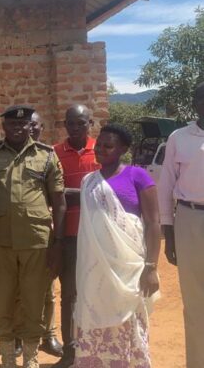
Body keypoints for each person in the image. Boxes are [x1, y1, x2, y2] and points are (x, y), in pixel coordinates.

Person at [0, 105, 66, 368]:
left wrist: (58, 243)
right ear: (3, 127)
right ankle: (8, 357)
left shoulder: (46, 156)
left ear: (30, 127)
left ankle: (31, 358)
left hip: (37, 242)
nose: (17, 128)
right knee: (1, 299)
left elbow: (58, 201)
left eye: (22, 125)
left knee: (34, 299)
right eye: (12, 124)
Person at [73, 124, 161, 367]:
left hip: (129, 268)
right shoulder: (89, 181)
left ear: (123, 149)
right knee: (96, 317)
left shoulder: (138, 176)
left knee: (129, 323)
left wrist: (151, 267)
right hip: (96, 270)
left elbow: (154, 223)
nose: (100, 150)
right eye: (99, 145)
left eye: (108, 146)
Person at [50, 105, 101, 367]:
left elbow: (106, 190)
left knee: (96, 294)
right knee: (69, 294)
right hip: (68, 235)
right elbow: (54, 193)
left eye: (81, 123)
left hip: (98, 239)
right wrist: (85, 192)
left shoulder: (100, 150)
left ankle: (93, 349)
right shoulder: (55, 153)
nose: (76, 127)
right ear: (65, 124)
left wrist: (70, 193)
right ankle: (70, 352)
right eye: (71, 123)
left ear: (90, 123)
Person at [157, 83, 204, 367]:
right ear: (194, 101)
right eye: (201, 97)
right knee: (195, 299)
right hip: (189, 219)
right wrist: (169, 233)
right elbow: (165, 187)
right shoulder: (179, 137)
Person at [24, 110, 61, 357]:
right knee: (19, 289)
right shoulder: (10, 155)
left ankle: (49, 335)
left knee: (48, 289)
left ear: (42, 127)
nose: (31, 129)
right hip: (17, 234)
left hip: (44, 232)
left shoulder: (49, 156)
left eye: (35, 125)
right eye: (28, 125)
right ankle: (19, 337)